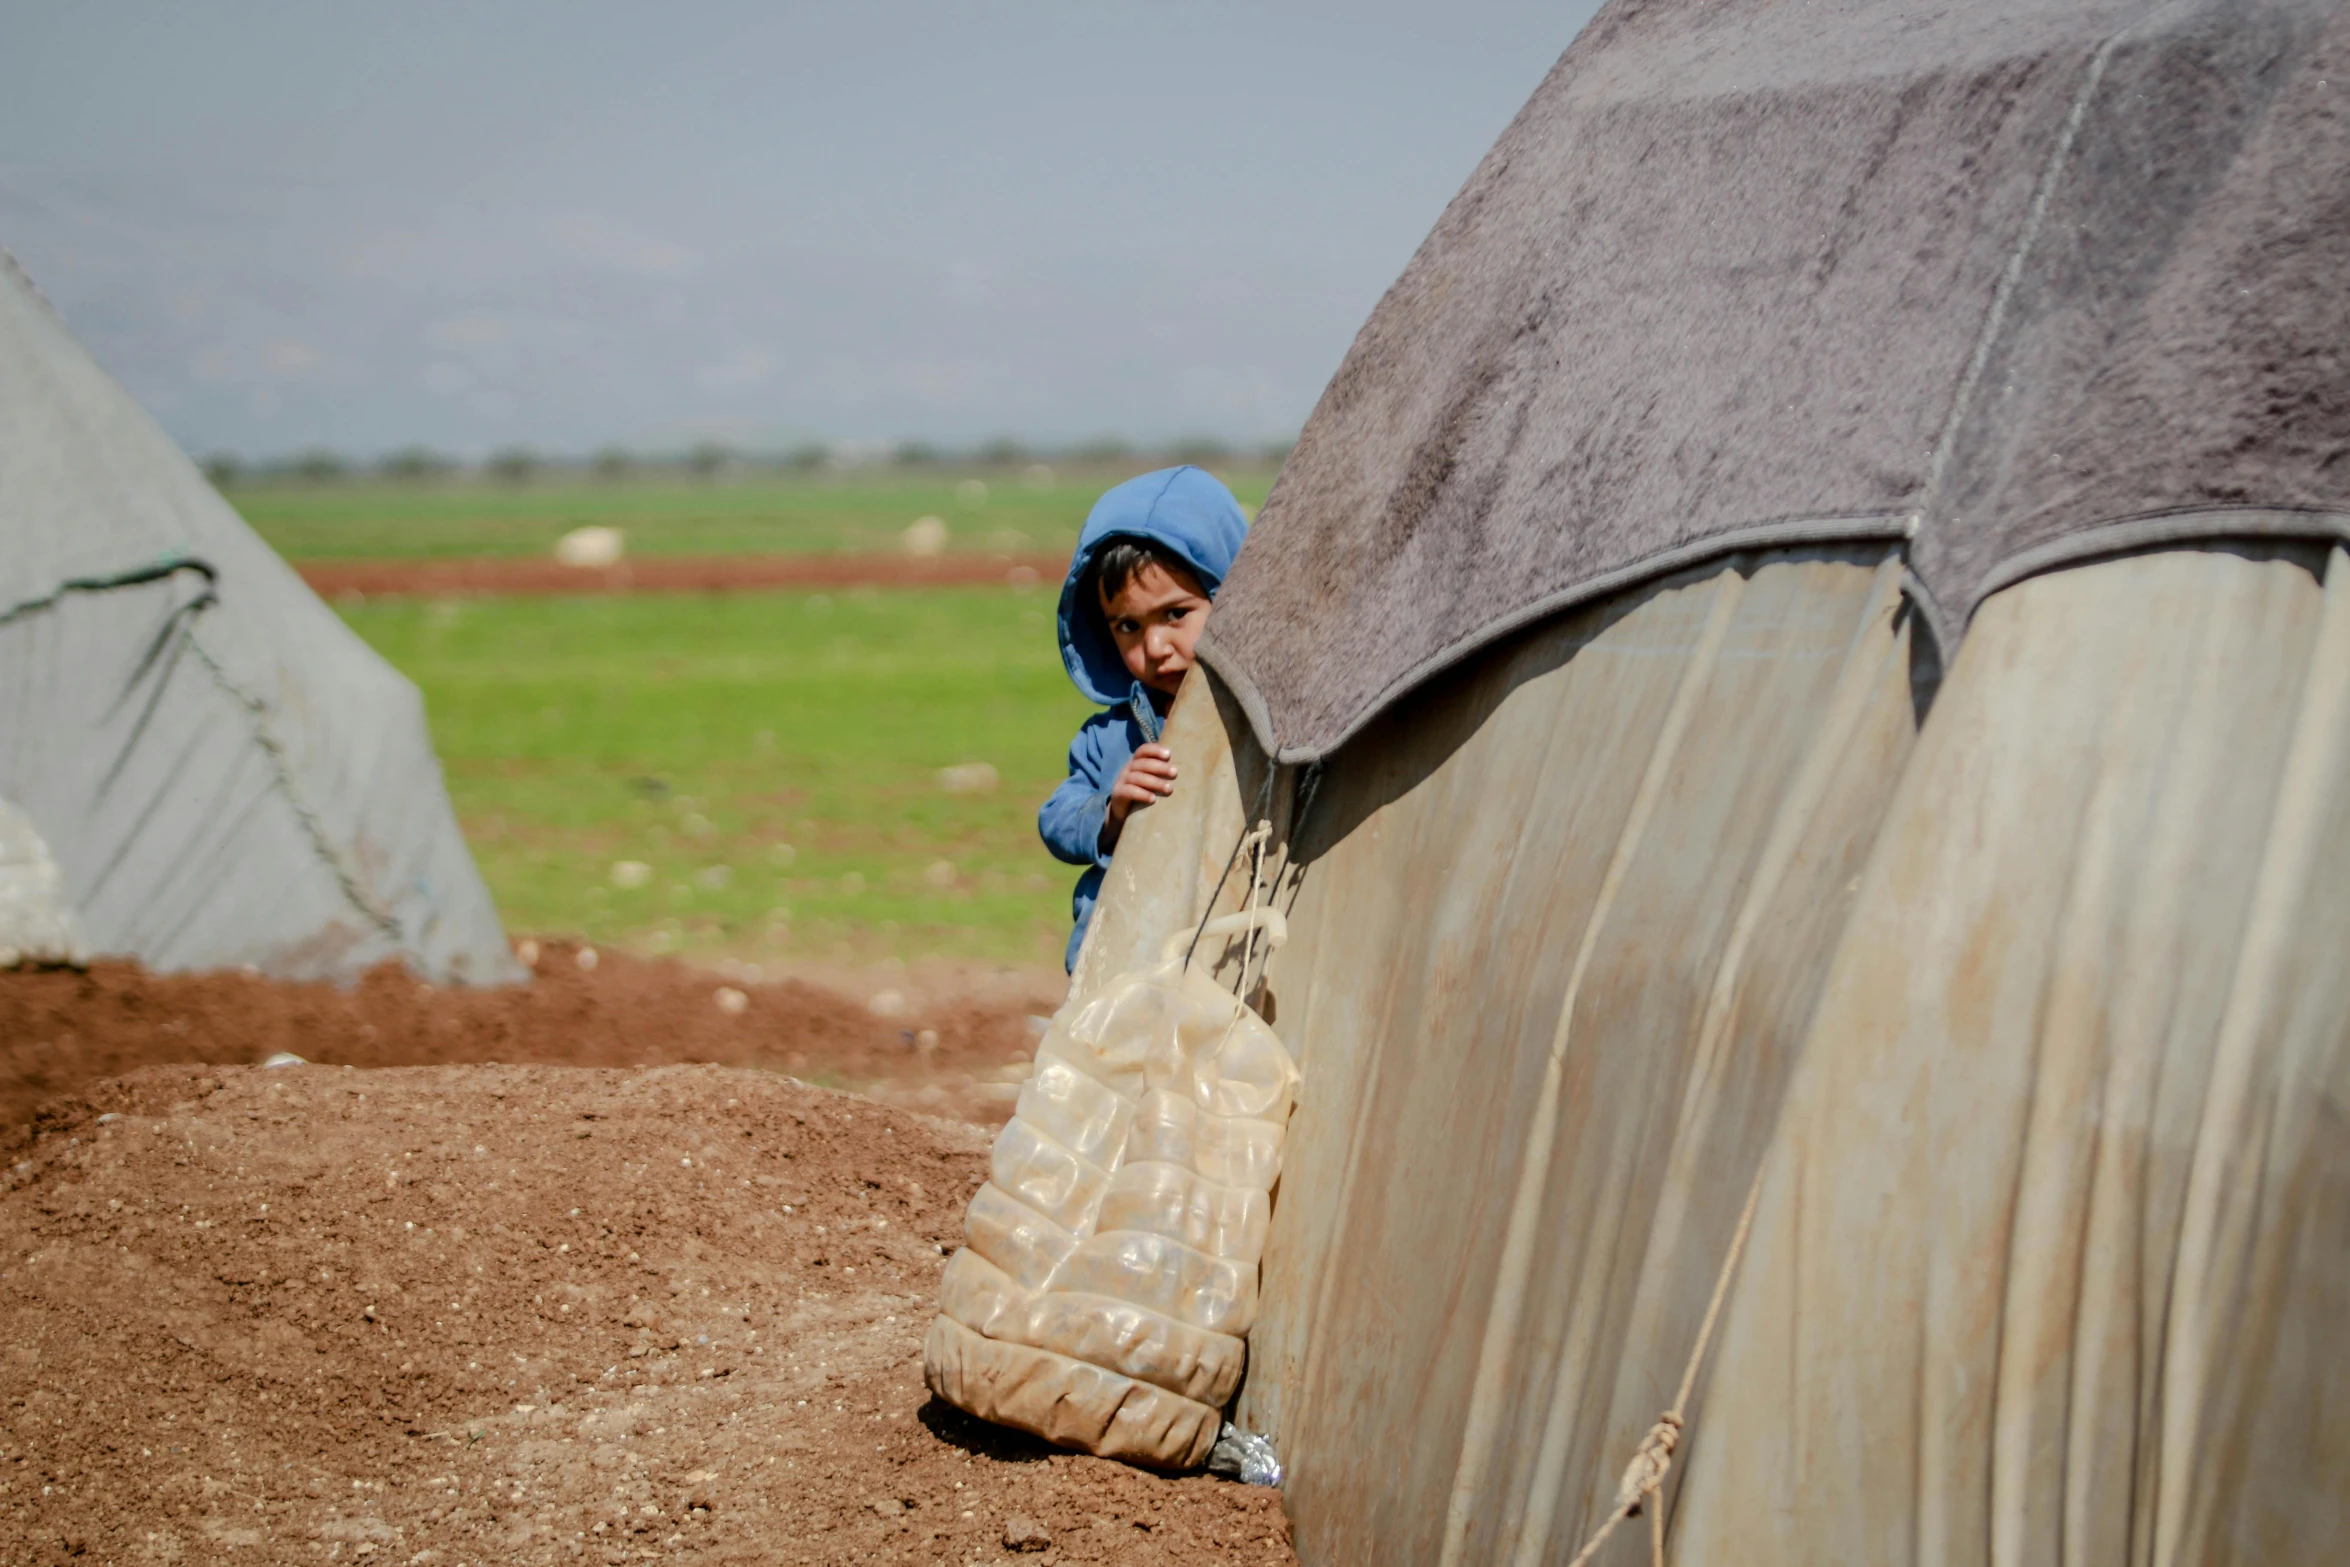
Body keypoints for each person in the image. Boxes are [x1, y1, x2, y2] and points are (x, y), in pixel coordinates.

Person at [1038, 466, 1249, 972]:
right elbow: (1057, 817)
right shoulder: (1109, 738)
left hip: (1230, 963)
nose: (1155, 648)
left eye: (1176, 614)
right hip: (1120, 976)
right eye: (1128, 626)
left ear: (1231, 598)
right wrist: (1110, 813)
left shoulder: (1266, 726)